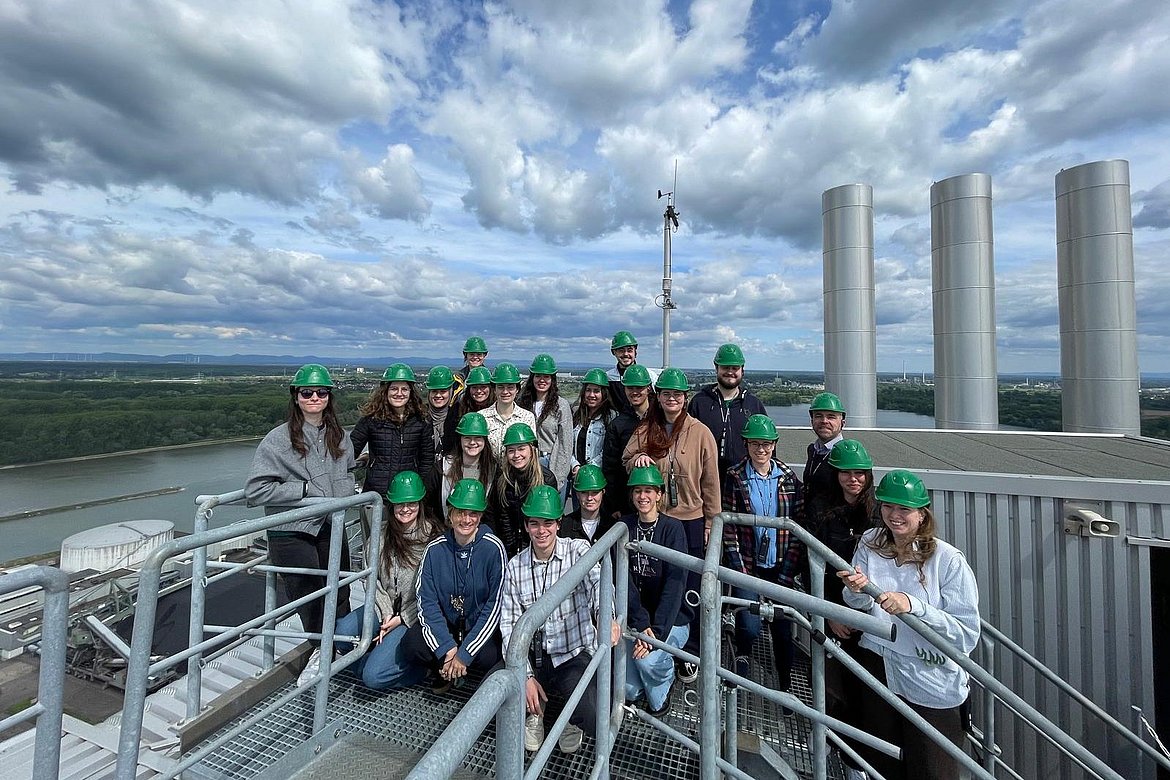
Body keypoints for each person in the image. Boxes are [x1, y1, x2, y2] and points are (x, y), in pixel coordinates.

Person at [840, 470, 980, 780]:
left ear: (922, 514)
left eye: (904, 508)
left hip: (929, 679)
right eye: (887, 506)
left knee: (932, 770)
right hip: (880, 666)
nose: (894, 515)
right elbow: (858, 606)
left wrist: (914, 606)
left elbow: (966, 635)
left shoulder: (948, 560)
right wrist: (855, 591)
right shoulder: (870, 540)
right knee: (883, 762)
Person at [245, 364, 354, 683]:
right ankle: (322, 651)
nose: (315, 397)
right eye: (307, 392)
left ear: (329, 397)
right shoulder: (278, 440)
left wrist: (340, 494)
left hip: (329, 526)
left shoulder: (338, 435)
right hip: (293, 532)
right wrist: (303, 491)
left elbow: (347, 474)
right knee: (310, 595)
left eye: (321, 392)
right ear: (295, 397)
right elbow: (255, 489)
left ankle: (344, 646)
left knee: (342, 586)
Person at [499, 485, 619, 755]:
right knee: (498, 700)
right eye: (534, 523)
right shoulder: (515, 567)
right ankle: (536, 710)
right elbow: (508, 625)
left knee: (595, 716)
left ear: (558, 523)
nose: (542, 531)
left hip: (571, 655)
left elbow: (598, 581)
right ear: (527, 526)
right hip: (535, 657)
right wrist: (525, 675)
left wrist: (605, 616)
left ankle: (570, 716)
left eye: (548, 523)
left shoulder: (577, 551)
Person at [623, 367, 719, 683]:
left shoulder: (700, 432)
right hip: (656, 521)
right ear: (658, 397)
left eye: (677, 394)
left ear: (684, 398)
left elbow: (710, 482)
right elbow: (626, 461)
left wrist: (711, 524)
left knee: (689, 591)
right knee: (657, 585)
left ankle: (688, 653)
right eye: (666, 394)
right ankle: (655, 640)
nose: (671, 399)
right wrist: (636, 460)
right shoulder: (646, 430)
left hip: (689, 520)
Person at [333, 471, 442, 690]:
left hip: (414, 615)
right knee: (341, 635)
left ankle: (419, 668)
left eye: (411, 503)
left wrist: (400, 619)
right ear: (391, 506)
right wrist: (385, 614)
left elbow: (433, 593)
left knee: (372, 677)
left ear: (420, 504)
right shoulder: (380, 537)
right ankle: (379, 655)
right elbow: (370, 579)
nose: (405, 509)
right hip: (384, 609)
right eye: (399, 504)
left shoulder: (433, 539)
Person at [806, 439, 877, 778]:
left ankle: (858, 762)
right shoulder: (822, 511)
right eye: (847, 473)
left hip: (874, 618)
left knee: (867, 690)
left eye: (860, 473)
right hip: (836, 613)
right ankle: (838, 751)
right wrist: (829, 612)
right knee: (835, 685)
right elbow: (813, 567)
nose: (854, 479)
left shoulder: (879, 514)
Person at [721, 414, 804, 696]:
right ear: (746, 444)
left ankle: (784, 683)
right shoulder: (735, 477)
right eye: (755, 444)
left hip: (781, 566)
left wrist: (786, 574)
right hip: (748, 565)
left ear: (774, 445)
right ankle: (740, 671)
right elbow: (729, 527)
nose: (761, 450)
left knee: (782, 629)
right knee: (749, 624)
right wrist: (741, 571)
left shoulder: (789, 479)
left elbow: (796, 531)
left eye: (766, 444)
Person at [404, 479, 506, 692]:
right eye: (460, 512)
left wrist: (465, 654)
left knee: (491, 655)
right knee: (412, 644)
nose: (466, 519)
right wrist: (448, 650)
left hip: (477, 627)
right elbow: (426, 602)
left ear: (480, 516)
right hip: (450, 627)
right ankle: (447, 668)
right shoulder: (435, 550)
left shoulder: (493, 548)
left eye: (473, 514)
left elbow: (495, 606)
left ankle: (458, 671)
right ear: (450, 514)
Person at [621, 466, 691, 716]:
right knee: (628, 690)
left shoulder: (672, 529)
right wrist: (641, 624)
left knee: (647, 663)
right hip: (639, 621)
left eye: (649, 490)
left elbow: (675, 584)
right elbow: (624, 580)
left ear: (659, 494)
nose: (643, 496)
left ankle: (664, 685)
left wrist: (655, 634)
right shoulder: (625, 526)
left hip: (669, 621)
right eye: (638, 491)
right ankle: (649, 679)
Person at [351, 363, 436, 499]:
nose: (399, 393)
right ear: (386, 391)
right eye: (394, 389)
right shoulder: (371, 419)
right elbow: (351, 450)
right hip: (377, 493)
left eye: (404, 389)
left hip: (407, 493)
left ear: (411, 392)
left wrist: (419, 486)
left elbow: (426, 459)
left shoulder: (421, 420)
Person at [687, 343, 767, 476]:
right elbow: (687, 441)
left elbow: (767, 443)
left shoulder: (753, 404)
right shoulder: (700, 402)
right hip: (706, 478)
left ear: (742, 370)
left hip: (745, 480)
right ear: (716, 368)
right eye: (725, 367)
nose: (730, 372)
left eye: (735, 368)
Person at [484, 423, 558, 556]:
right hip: (509, 545)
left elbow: (550, 519)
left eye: (521, 449)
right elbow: (501, 517)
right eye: (511, 450)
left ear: (532, 449)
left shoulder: (547, 479)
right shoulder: (502, 479)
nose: (516, 455)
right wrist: (510, 549)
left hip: (537, 543)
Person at [602, 363, 656, 519]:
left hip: (658, 497)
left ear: (648, 388)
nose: (634, 392)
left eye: (639, 388)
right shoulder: (618, 425)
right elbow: (610, 469)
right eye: (630, 388)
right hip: (628, 500)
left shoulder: (660, 419)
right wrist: (615, 504)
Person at [518, 354, 573, 494]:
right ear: (532, 378)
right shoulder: (522, 403)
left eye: (546, 377)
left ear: (552, 379)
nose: (542, 380)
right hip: (526, 464)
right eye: (538, 376)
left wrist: (557, 477)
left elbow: (565, 444)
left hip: (551, 463)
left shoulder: (561, 405)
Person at [427, 412, 499, 521]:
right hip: (446, 530)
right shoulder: (442, 467)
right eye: (467, 438)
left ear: (485, 440)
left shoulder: (493, 471)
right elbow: (427, 502)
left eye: (478, 437)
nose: (472, 442)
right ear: (460, 439)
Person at [568, 368, 616, 515]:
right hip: (577, 478)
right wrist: (575, 466)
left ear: (604, 394)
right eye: (588, 390)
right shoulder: (576, 413)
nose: (591, 395)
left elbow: (609, 449)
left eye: (596, 391)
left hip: (598, 480)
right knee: (579, 517)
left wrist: (588, 469)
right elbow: (568, 444)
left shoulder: (611, 417)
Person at [482, 362, 538, 461]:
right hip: (488, 473)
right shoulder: (482, 417)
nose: (505, 391)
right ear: (494, 389)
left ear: (517, 390)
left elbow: (532, 452)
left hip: (516, 473)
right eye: (500, 387)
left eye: (510, 387)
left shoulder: (527, 417)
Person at [804, 392, 847, 509]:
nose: (824, 421)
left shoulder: (847, 456)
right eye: (818, 415)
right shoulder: (813, 451)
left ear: (843, 423)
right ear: (811, 421)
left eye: (831, 416)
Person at [605, 330, 660, 415]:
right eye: (621, 350)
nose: (626, 354)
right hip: (620, 425)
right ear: (614, 352)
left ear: (635, 352)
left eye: (630, 350)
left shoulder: (650, 376)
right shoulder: (609, 378)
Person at [560, 464, 611, 544]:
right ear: (577, 494)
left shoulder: (612, 526)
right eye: (584, 492)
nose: (589, 498)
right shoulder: (565, 526)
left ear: (603, 493)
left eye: (595, 492)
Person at [425, 366, 460, 457]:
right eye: (434, 391)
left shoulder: (458, 417)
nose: (438, 395)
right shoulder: (419, 417)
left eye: (443, 391)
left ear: (451, 392)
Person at [451, 336, 489, 401]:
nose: (475, 357)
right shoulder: (457, 379)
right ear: (466, 355)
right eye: (471, 354)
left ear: (484, 355)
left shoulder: (490, 378)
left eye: (479, 354)